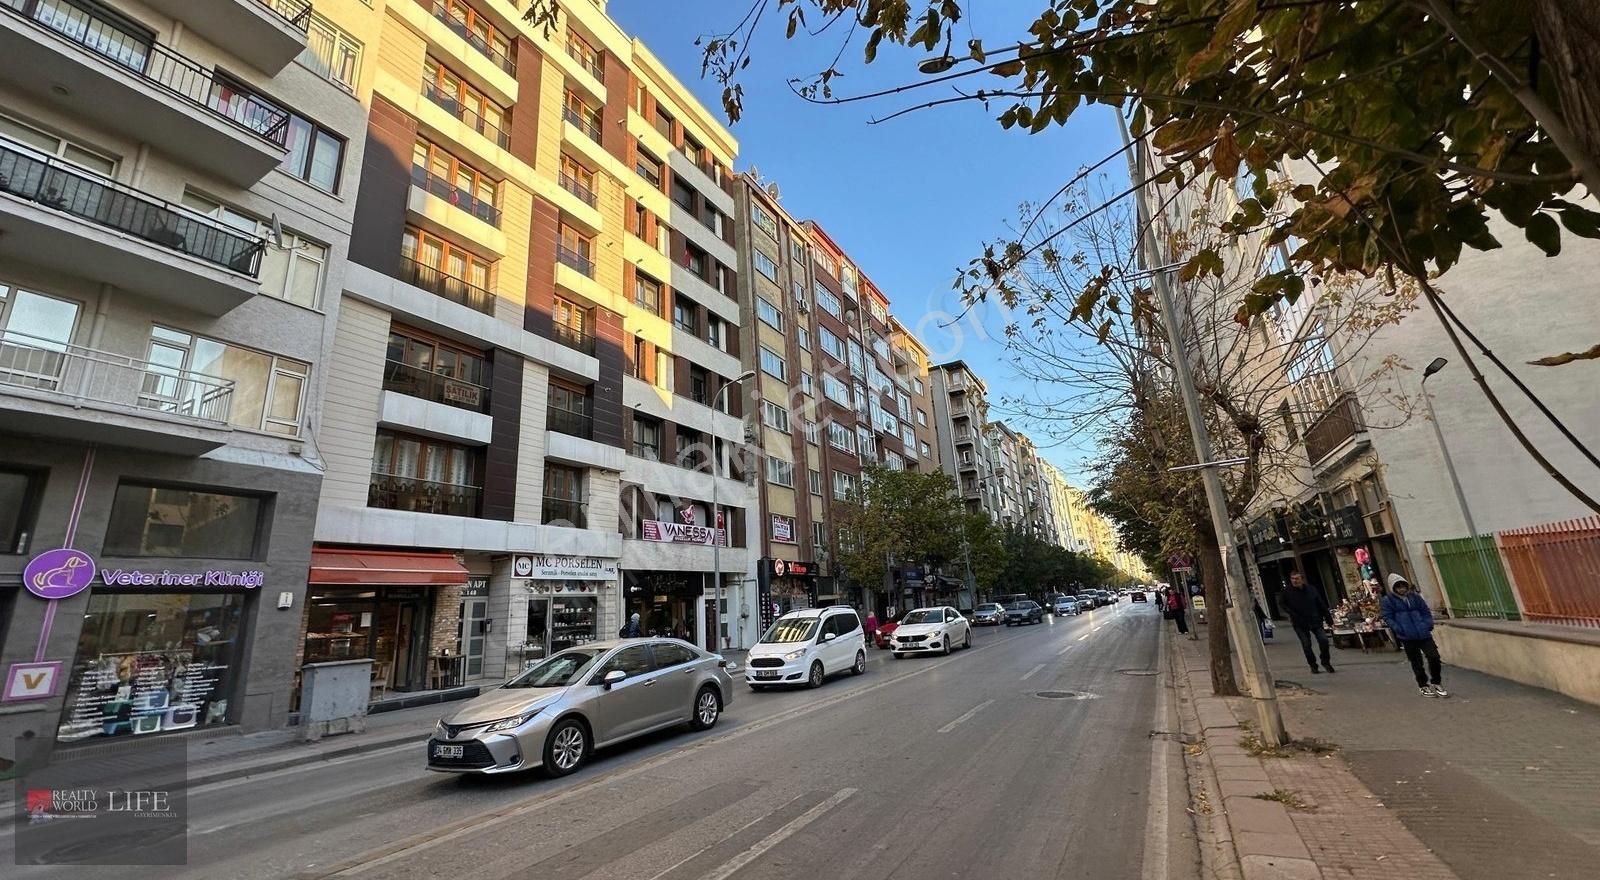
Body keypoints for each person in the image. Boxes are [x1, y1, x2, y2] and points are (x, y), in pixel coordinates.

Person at [1380, 573, 1448, 697]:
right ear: (1393, 588)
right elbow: (1388, 617)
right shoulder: (1388, 600)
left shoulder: (1415, 597)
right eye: (1398, 587)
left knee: (1434, 657)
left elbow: (1425, 611)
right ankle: (1423, 685)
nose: (1402, 589)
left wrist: (1427, 624)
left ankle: (1436, 682)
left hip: (1423, 633)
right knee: (1416, 662)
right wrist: (1398, 629)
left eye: (1403, 586)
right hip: (1407, 636)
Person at [1281, 572, 1335, 674]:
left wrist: (1329, 619)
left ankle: (1325, 662)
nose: (1294, 581)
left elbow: (1320, 603)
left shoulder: (1311, 590)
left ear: (1302, 579)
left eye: (1297, 578)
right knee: (1306, 645)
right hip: (1299, 622)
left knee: (1324, 640)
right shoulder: (1287, 591)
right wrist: (1291, 613)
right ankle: (1313, 665)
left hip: (1315, 620)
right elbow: (1282, 604)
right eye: (1292, 578)